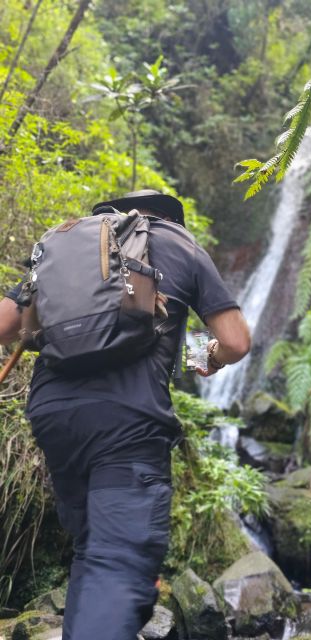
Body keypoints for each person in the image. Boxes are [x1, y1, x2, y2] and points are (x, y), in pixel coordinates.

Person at [0, 189, 250, 640]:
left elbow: (4, 326)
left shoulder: (64, 242)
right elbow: (236, 341)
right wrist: (209, 357)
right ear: (172, 218)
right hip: (127, 423)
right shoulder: (179, 243)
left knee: (93, 551)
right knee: (118, 560)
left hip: (55, 417)